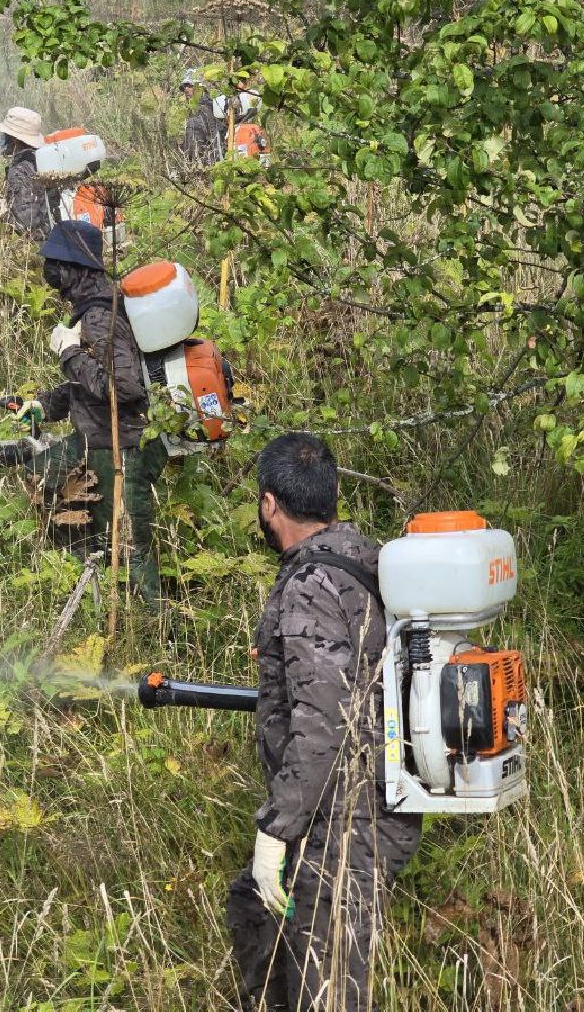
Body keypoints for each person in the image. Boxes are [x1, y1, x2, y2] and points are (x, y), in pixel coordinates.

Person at [227, 432, 423, 1011]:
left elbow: (325, 719)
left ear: (269, 505)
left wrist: (277, 827)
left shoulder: (311, 585)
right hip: (373, 806)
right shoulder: (365, 561)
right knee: (252, 906)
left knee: (330, 988)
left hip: (345, 821)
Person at [31, 220, 166, 599]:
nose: (50, 272)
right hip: (97, 438)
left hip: (121, 449)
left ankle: (155, 633)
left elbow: (122, 388)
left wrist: (68, 352)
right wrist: (44, 405)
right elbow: (89, 386)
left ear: (74, 269)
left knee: (132, 551)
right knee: (42, 476)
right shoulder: (92, 308)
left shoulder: (99, 316)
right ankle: (87, 583)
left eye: (56, 263)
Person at [0, 106, 52, 237]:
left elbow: (26, 223)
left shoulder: (20, 171)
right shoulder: (39, 161)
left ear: (13, 139)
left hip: (39, 245)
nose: (3, 139)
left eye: (5, 135)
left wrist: (2, 217)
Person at [180, 69, 225, 168]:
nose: (186, 89)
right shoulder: (197, 109)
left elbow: (213, 140)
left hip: (212, 164)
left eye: (190, 86)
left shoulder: (206, 108)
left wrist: (190, 164)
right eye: (184, 87)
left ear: (200, 88)